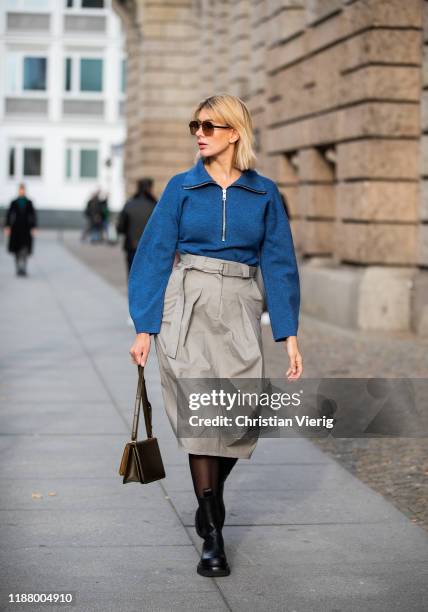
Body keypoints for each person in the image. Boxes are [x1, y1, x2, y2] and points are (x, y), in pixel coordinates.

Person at [128, 94, 303, 578]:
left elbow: (281, 264)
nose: (199, 133)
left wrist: (287, 333)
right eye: (194, 125)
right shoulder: (181, 189)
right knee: (201, 416)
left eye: (209, 125)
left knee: (241, 413)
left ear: (234, 133)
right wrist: (144, 327)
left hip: (243, 305)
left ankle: (211, 497)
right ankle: (214, 530)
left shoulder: (263, 193)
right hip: (186, 303)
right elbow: (154, 255)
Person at [116, 178, 157, 277]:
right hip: (150, 247)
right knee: (148, 276)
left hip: (132, 246)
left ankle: (133, 292)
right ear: (150, 188)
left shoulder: (129, 204)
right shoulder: (156, 205)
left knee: (132, 274)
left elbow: (120, 227)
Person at [3, 183, 37, 277]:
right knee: (16, 249)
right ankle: (18, 268)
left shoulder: (29, 202)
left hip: (26, 228)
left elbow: (33, 215)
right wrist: (7, 226)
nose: (22, 191)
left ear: (25, 190)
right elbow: (9, 215)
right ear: (18, 191)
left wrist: (34, 227)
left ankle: (24, 268)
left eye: (23, 190)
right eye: (20, 190)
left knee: (25, 249)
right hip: (16, 229)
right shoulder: (14, 202)